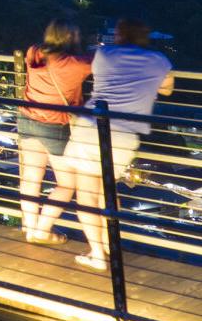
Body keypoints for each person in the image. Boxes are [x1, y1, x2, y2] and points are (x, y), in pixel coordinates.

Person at [68, 18, 175, 271]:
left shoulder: (104, 54)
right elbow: (167, 89)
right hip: (125, 135)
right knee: (108, 192)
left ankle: (97, 253)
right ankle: (109, 245)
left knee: (86, 196)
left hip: (91, 127)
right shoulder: (160, 61)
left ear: (119, 34)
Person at [17, 20, 92, 244]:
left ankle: (30, 228)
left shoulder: (33, 52)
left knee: (31, 179)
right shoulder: (75, 64)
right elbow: (104, 60)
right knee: (66, 184)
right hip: (54, 125)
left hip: (27, 118)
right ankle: (42, 230)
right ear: (69, 38)